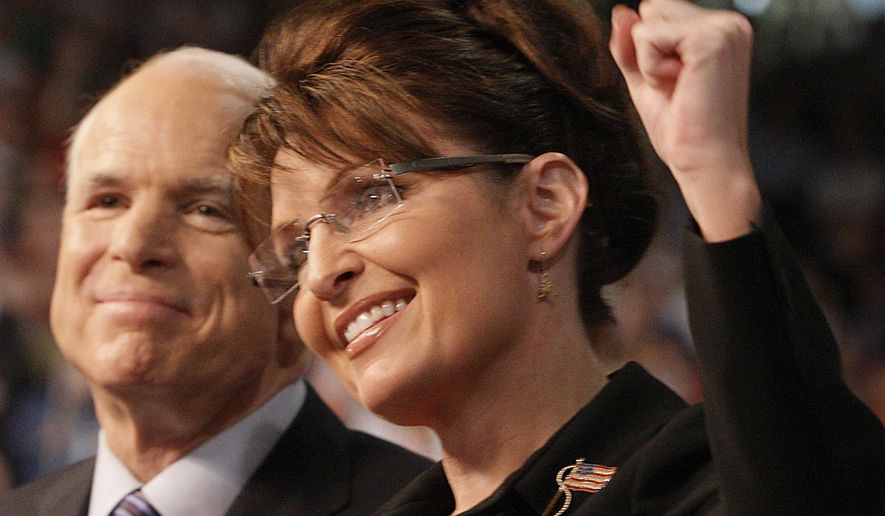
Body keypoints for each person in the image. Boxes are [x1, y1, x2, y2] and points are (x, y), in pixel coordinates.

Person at [231, 0, 885, 514]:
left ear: (544, 206)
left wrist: (712, 176)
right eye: (295, 246)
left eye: (371, 195)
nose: (319, 274)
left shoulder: (695, 484)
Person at [0, 47, 430, 516]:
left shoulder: (426, 507)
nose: (134, 244)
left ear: (300, 285)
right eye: (106, 201)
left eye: (206, 210)